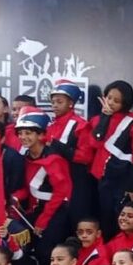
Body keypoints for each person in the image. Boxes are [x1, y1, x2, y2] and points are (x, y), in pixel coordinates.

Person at [13, 106, 72, 265]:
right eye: (20, 133)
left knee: (46, 253)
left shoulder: (53, 160)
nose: (23, 137)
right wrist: (15, 198)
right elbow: (29, 188)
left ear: (40, 135)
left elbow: (61, 193)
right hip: (36, 211)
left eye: (28, 133)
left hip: (55, 213)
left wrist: (42, 221)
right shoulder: (25, 157)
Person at [90, 81, 133, 236]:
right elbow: (94, 142)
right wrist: (105, 117)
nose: (111, 103)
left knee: (120, 221)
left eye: (116, 101)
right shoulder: (97, 120)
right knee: (104, 219)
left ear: (125, 103)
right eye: (109, 98)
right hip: (102, 178)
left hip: (122, 180)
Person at [46, 79, 95, 230]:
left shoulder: (81, 125)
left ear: (71, 103)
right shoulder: (50, 126)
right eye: (53, 102)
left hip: (75, 182)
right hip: (53, 182)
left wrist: (58, 146)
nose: (55, 105)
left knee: (75, 223)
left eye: (59, 101)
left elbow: (85, 157)